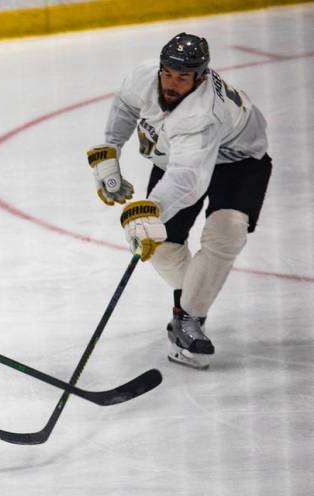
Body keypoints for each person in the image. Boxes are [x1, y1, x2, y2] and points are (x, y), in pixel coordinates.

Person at [87, 32, 271, 368]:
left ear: (200, 77)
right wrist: (111, 148)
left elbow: (190, 178)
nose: (172, 83)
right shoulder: (146, 76)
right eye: (168, 73)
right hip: (174, 156)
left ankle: (189, 318)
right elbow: (126, 104)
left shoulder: (201, 115)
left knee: (227, 232)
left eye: (182, 77)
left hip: (238, 161)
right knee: (161, 247)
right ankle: (192, 299)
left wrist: (151, 211)